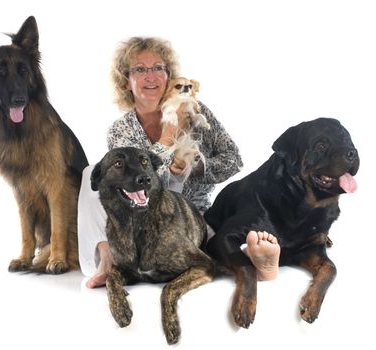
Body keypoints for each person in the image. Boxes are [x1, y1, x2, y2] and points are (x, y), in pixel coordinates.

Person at [78, 37, 280, 288]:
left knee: (216, 242)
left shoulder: (195, 111)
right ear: (126, 82)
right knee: (91, 174)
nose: (150, 77)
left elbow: (234, 160)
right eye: (140, 69)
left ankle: (252, 261)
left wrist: (197, 168)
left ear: (169, 76)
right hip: (147, 221)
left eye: (158, 68)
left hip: (192, 216)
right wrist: (167, 139)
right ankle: (107, 262)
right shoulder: (120, 131)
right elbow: (134, 186)